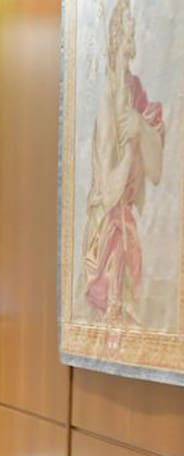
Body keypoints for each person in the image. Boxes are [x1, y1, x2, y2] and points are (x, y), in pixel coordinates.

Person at [81, 0, 163, 325]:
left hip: (125, 232)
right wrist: (132, 146)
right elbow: (110, 190)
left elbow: (156, 173)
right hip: (105, 237)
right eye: (128, 21)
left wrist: (141, 127)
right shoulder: (107, 97)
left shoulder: (135, 91)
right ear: (117, 32)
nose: (133, 28)